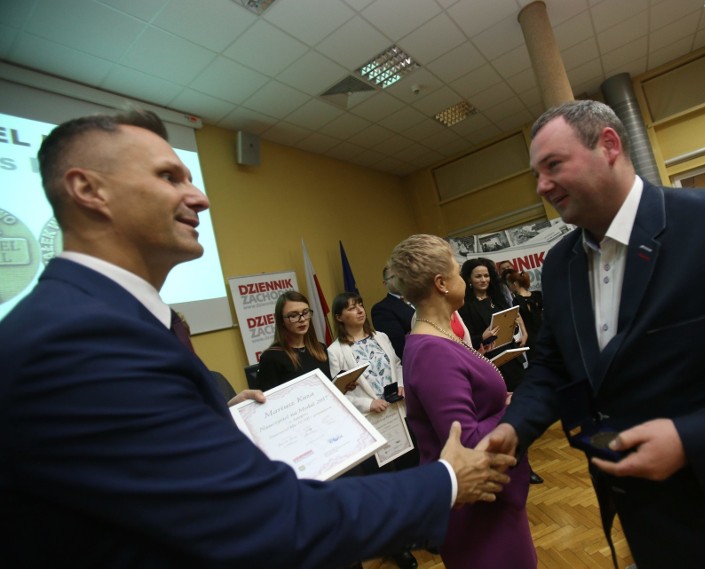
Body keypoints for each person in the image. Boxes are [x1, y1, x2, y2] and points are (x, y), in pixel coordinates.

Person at [0, 108, 518, 568]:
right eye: (168, 176)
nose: (199, 197)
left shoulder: (110, 321)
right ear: (89, 191)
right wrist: (444, 480)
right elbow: (258, 522)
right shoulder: (81, 338)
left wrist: (221, 415)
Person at [478, 100, 705, 568]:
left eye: (553, 165)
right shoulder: (559, 265)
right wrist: (515, 428)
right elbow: (554, 363)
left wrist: (694, 440)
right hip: (648, 526)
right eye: (537, 173)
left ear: (609, 145)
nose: (542, 186)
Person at [389, 234, 537, 569]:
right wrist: (515, 408)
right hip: (477, 510)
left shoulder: (441, 336)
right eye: (457, 273)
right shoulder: (431, 351)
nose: (465, 281)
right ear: (441, 283)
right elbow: (465, 441)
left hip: (487, 502)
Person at [329, 291, 419, 569]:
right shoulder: (335, 351)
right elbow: (339, 392)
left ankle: (422, 533)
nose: (358, 311)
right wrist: (368, 402)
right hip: (372, 422)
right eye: (351, 308)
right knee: (387, 487)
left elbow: (398, 365)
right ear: (339, 317)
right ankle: (398, 546)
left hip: (399, 414)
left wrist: (401, 384)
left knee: (411, 475)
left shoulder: (381, 336)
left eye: (360, 305)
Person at [457, 257, 527, 392]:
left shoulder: (498, 297)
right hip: (491, 362)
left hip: (512, 359)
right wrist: (482, 337)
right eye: (478, 276)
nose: (483, 280)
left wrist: (514, 325)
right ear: (469, 279)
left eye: (486, 275)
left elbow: (512, 326)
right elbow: (464, 339)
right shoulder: (465, 306)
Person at [256, 290, 330, 391]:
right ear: (281, 320)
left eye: (305, 312)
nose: (302, 319)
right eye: (293, 315)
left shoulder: (320, 348)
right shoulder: (271, 357)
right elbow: (268, 401)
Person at [371, 264, 416, 361]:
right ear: (385, 283)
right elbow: (399, 345)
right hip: (415, 358)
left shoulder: (418, 297)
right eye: (394, 277)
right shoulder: (381, 309)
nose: (400, 279)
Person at [505, 270, 544, 360]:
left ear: (514, 284)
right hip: (543, 330)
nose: (509, 287)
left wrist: (525, 334)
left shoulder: (516, 300)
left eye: (509, 284)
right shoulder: (537, 294)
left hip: (531, 334)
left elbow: (519, 318)